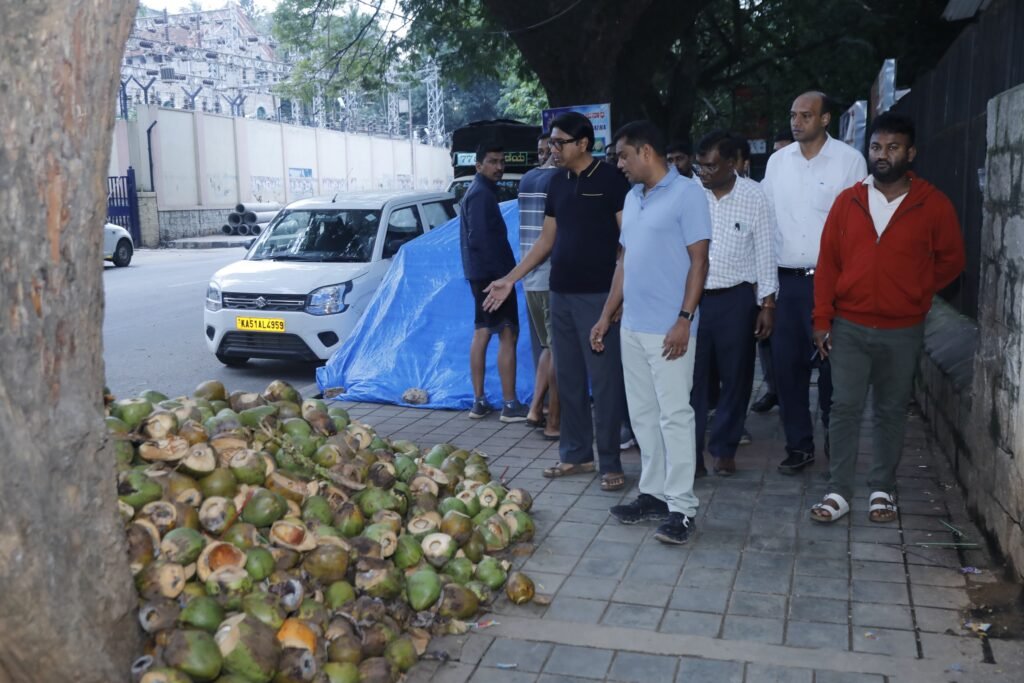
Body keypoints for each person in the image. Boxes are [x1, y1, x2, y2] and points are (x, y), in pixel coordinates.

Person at [809, 112, 964, 522]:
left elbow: (952, 260)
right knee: (843, 407)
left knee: (891, 409)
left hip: (903, 328)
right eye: (876, 147)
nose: (883, 155)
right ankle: (838, 492)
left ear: (910, 153)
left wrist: (916, 289)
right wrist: (822, 319)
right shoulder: (848, 201)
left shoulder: (933, 204)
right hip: (850, 326)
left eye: (893, 147)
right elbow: (828, 265)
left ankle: (882, 489)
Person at [484, 111, 631, 491]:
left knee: (605, 381)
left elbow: (628, 244)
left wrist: (617, 299)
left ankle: (611, 463)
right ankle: (576, 456)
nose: (553, 148)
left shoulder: (612, 180)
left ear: (583, 143)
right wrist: (510, 280)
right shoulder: (557, 184)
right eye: (551, 141)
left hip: (598, 297)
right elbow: (546, 242)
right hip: (559, 293)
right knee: (567, 379)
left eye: (560, 142)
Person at [595, 120, 710, 544]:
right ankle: (654, 494)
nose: (619, 164)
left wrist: (684, 317)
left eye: (623, 156)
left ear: (646, 152)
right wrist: (607, 315)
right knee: (643, 416)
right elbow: (624, 262)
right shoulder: (632, 197)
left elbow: (700, 261)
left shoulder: (687, 194)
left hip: (670, 330)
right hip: (633, 327)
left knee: (675, 416)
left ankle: (682, 508)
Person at [761, 91, 867, 474]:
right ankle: (798, 446)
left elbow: (860, 228)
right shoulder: (777, 163)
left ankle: (835, 444)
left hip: (834, 284)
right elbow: (766, 225)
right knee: (787, 370)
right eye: (793, 115)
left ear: (825, 120)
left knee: (834, 372)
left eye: (806, 115)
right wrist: (766, 292)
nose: (796, 121)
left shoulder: (849, 162)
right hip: (787, 284)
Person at [690, 131, 777, 476]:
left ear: (732, 164)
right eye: (700, 167)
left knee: (736, 377)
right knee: (691, 381)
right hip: (693, 300)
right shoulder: (690, 193)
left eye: (711, 166)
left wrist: (767, 305)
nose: (704, 173)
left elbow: (766, 252)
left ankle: (724, 448)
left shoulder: (755, 197)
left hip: (736, 300)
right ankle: (691, 455)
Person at [459, 142, 529, 423]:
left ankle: (480, 402)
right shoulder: (481, 195)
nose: (499, 167)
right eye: (492, 162)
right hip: (493, 276)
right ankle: (509, 405)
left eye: (502, 161)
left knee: (483, 332)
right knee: (507, 333)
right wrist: (503, 280)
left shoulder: (480, 192)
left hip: (481, 274)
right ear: (478, 166)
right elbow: (479, 239)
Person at [518, 139, 561, 440]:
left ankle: (537, 409)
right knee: (557, 349)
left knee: (548, 346)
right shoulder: (559, 181)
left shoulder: (527, 179)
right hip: (549, 276)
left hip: (530, 277)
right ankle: (549, 418)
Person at [751, 131, 796, 414]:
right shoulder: (764, 186)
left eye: (785, 151)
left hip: (799, 273)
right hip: (768, 272)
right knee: (765, 338)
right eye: (775, 151)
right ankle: (773, 388)